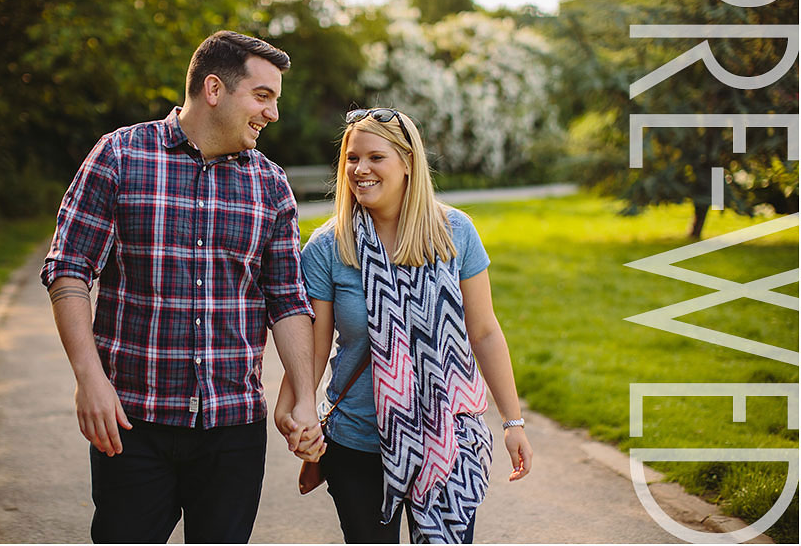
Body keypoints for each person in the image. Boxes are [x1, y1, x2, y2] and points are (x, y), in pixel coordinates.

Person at [40, 30, 323, 544]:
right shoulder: (121, 156)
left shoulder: (270, 184)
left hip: (233, 430)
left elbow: (287, 299)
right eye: (263, 96)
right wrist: (89, 379)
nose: (273, 114)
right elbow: (69, 268)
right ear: (214, 89)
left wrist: (306, 397)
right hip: (132, 423)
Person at [275, 108, 534, 543]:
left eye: (376, 157)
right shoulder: (329, 246)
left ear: (408, 162)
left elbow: (484, 331)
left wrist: (513, 422)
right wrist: (295, 407)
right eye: (352, 158)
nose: (361, 170)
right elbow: (313, 350)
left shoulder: (455, 232)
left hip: (449, 439)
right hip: (359, 443)